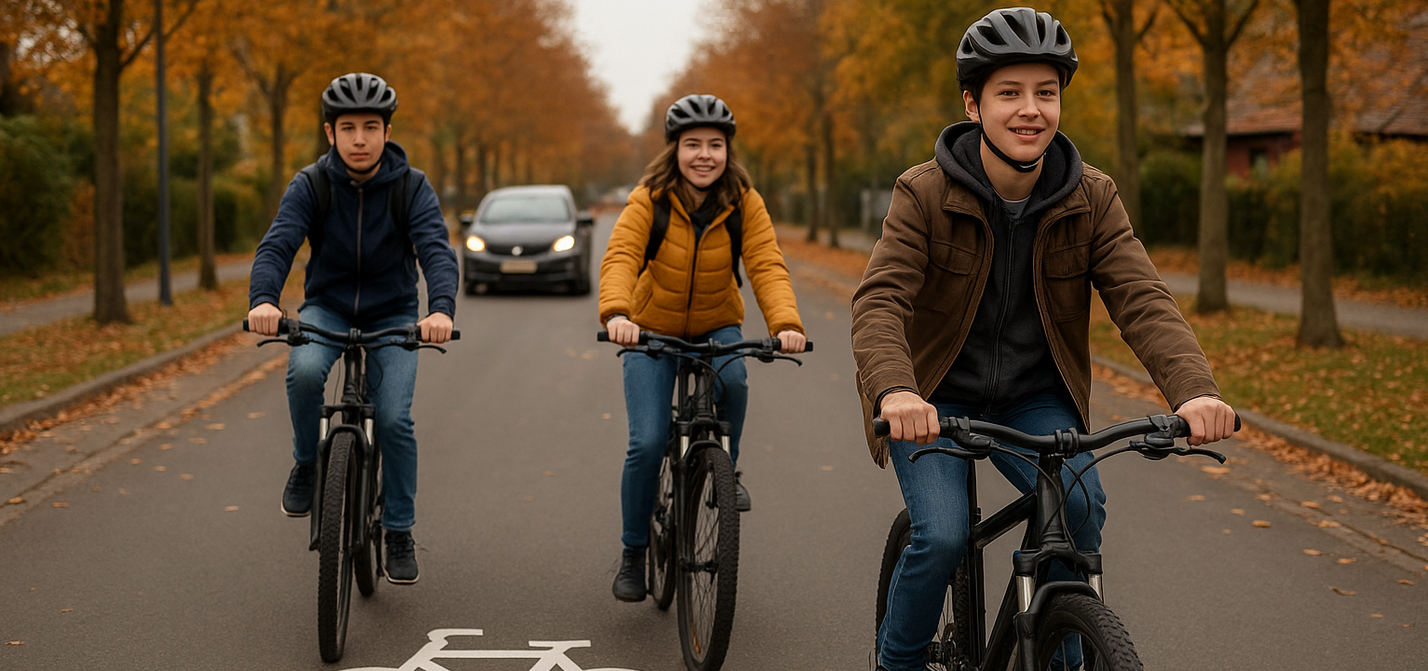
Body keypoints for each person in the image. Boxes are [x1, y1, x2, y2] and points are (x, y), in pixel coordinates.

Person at [850, 8, 1237, 670]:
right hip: (932, 400)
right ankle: (898, 662)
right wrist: (895, 389)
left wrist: (1195, 391)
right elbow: (881, 300)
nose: (1030, 110)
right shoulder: (923, 192)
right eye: (1009, 93)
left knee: (1080, 511)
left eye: (1046, 93)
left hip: (1034, 396)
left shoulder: (1092, 197)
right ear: (973, 104)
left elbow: (1141, 297)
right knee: (942, 536)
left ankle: (1062, 648)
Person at [247, 72, 458, 585]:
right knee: (304, 371)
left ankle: (399, 531)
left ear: (387, 132)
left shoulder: (411, 187)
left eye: (370, 127)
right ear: (330, 133)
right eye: (348, 128)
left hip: (392, 314)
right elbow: (278, 245)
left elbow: (435, 249)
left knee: (393, 420)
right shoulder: (311, 184)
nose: (359, 139)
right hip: (328, 308)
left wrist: (440, 309)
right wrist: (264, 300)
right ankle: (306, 463)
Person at [599, 94, 807, 602]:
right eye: (693, 145)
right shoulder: (648, 198)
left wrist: (785, 322)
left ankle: (727, 466)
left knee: (734, 379)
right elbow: (622, 255)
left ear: (727, 151)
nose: (704, 155)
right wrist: (618, 315)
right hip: (650, 330)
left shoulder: (744, 200)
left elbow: (766, 264)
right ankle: (633, 554)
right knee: (647, 443)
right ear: (674, 150)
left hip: (717, 325)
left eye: (715, 145)